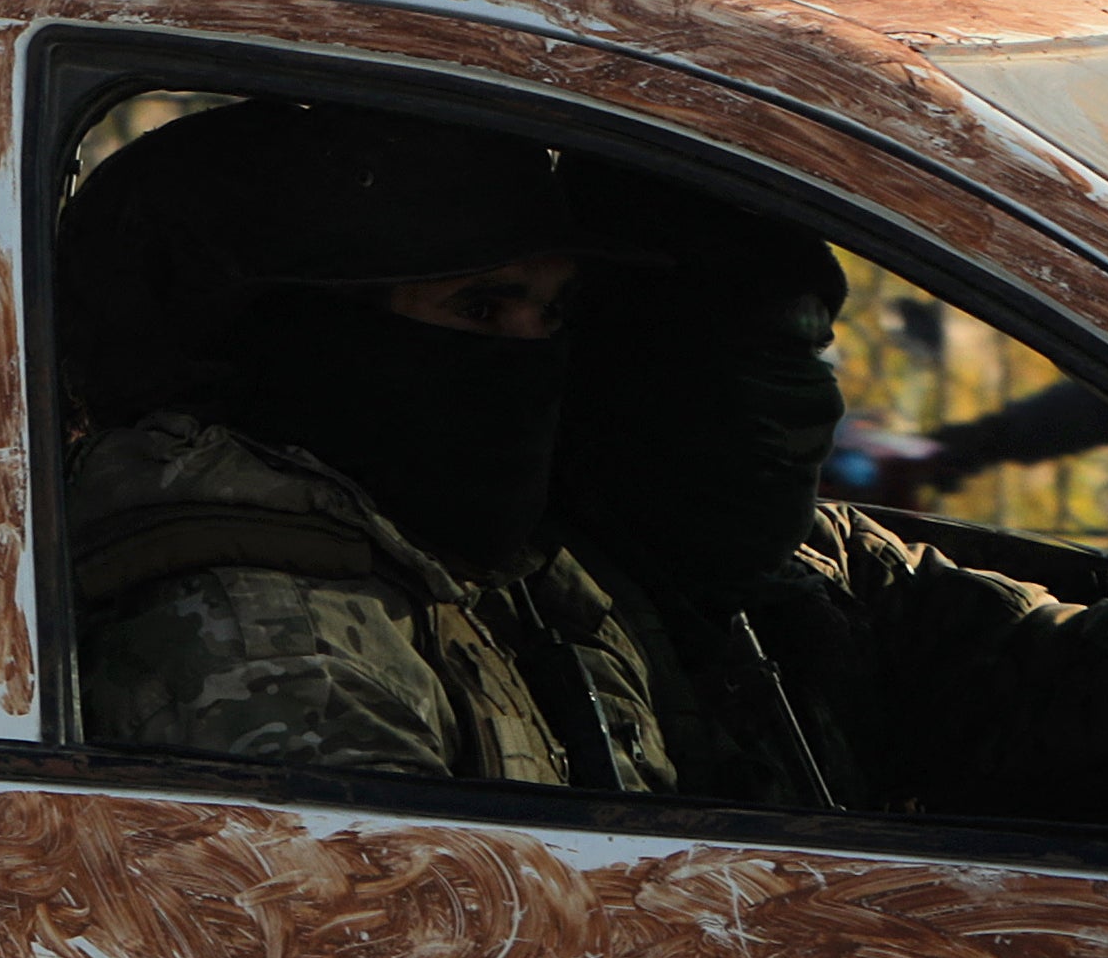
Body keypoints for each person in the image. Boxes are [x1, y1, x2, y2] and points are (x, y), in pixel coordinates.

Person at [61, 101, 673, 790]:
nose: (534, 352)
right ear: (325, 341)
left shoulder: (494, 581)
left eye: (553, 312)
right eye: (480, 309)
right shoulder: (283, 657)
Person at [556, 169, 1108, 822]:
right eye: (762, 353)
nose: (816, 401)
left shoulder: (828, 567)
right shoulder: (528, 597)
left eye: (813, 354)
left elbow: (1044, 669)